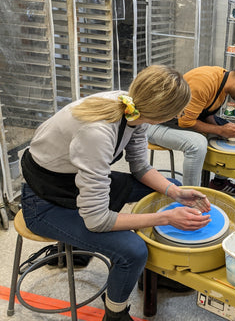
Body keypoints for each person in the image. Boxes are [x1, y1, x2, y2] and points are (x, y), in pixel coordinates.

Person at [20, 65, 212, 321]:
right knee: (133, 251)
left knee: (165, 186)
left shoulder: (133, 107)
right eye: (178, 112)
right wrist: (166, 218)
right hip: (44, 199)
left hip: (72, 182)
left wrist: (175, 192)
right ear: (161, 116)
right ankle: (115, 313)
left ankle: (152, 276)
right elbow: (97, 220)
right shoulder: (98, 132)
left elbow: (141, 167)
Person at [147, 59, 235, 195]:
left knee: (234, 130)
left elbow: (206, 114)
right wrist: (221, 130)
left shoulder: (225, 84)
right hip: (156, 124)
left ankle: (219, 182)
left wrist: (224, 130)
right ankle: (190, 196)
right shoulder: (204, 82)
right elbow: (185, 122)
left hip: (180, 120)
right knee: (197, 144)